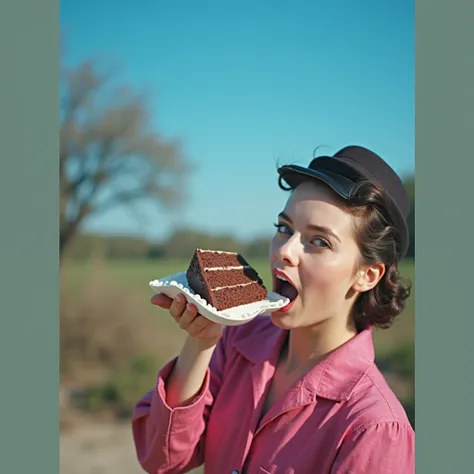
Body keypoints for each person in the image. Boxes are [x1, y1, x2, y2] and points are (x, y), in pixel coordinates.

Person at [132, 145, 415, 474]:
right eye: (284, 228)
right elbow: (162, 460)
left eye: (319, 241)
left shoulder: (374, 429)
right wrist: (201, 341)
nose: (285, 250)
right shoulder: (237, 342)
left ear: (367, 275)